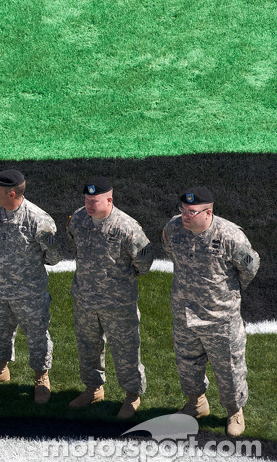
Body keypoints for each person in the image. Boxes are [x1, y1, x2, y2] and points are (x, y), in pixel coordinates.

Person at [162, 186, 259, 437]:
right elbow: (171, 253)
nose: (185, 215)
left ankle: (234, 411)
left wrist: (227, 294)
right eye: (183, 210)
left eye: (192, 212)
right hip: (185, 313)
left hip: (220, 318)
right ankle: (197, 403)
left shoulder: (230, 236)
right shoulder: (173, 228)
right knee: (187, 363)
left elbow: (249, 267)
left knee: (229, 368)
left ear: (209, 212)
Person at [0, 170, 61, 404]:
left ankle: (41, 376)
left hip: (29, 292)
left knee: (37, 335)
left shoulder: (38, 220)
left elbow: (54, 255)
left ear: (11, 194)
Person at [66, 177, 152, 418]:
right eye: (86, 200)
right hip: (85, 299)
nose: (89, 205)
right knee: (88, 347)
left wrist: (122, 280)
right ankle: (93, 389)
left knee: (125, 350)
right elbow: (74, 241)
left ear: (109, 200)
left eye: (94, 201)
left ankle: (132, 395)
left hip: (118, 303)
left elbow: (144, 260)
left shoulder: (127, 227)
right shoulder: (79, 218)